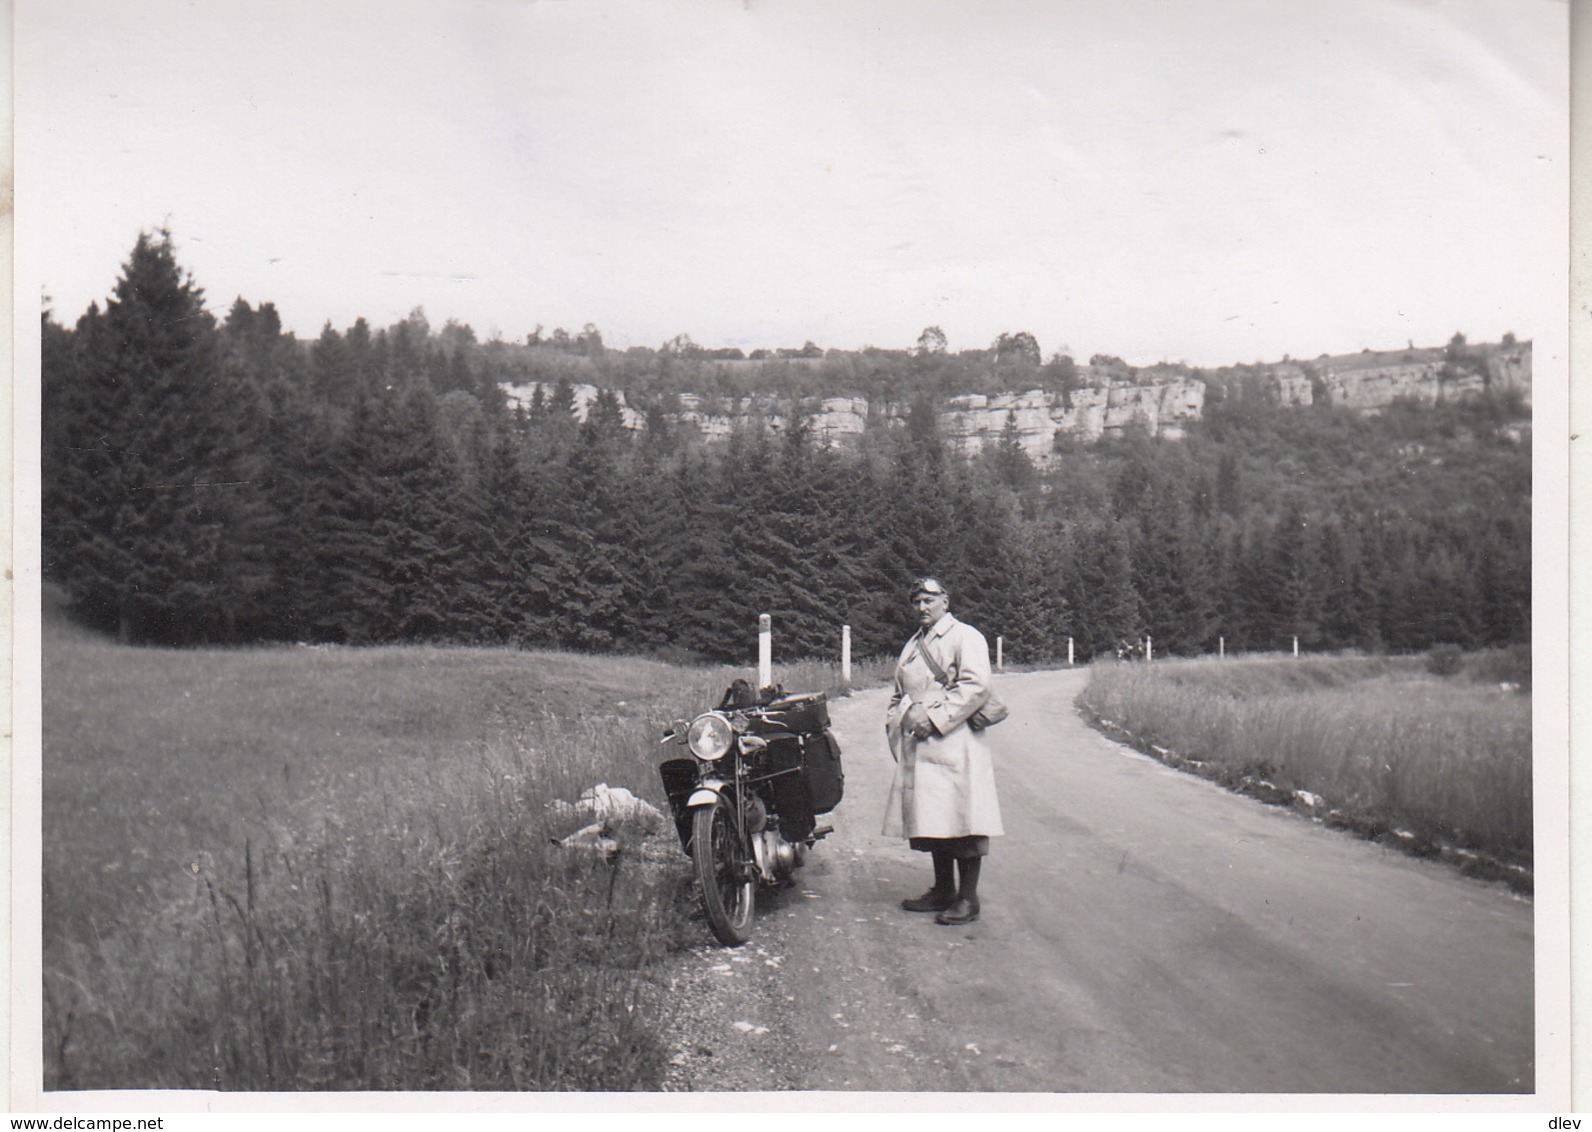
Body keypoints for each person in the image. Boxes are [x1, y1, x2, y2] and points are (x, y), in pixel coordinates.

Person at [882, 576, 1003, 925]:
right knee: (932, 817)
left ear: (945, 602)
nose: (922, 607)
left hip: (955, 739)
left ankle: (968, 898)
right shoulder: (912, 644)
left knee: (962, 816)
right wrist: (897, 720)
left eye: (929, 600)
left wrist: (933, 720)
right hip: (920, 743)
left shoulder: (966, 636)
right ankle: (942, 889)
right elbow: (898, 693)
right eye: (917, 601)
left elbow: (977, 686)